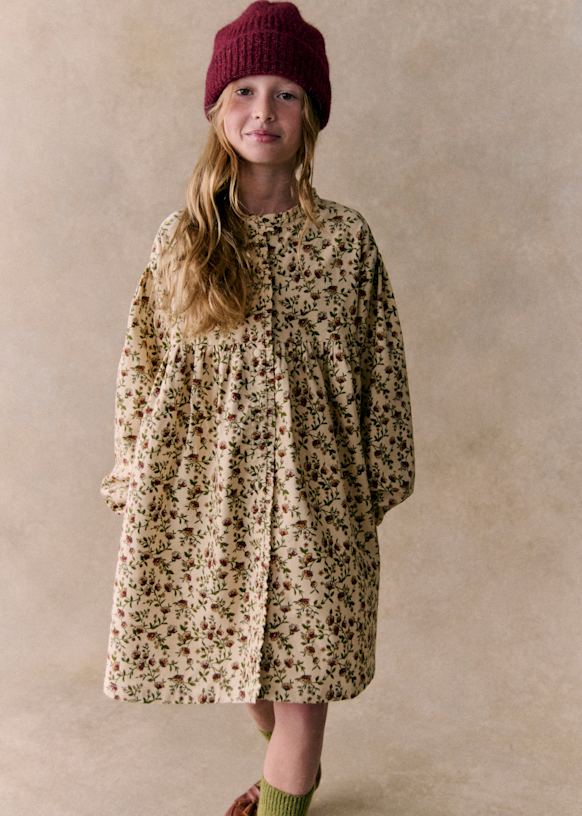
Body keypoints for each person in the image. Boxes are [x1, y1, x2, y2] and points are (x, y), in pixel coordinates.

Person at [99, 2, 415, 814]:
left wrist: (374, 487)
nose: (263, 110)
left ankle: (287, 787)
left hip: (318, 498)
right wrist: (134, 476)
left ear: (310, 114)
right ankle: (288, 768)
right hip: (210, 498)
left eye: (285, 93)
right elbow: (142, 366)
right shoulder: (183, 241)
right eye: (244, 90)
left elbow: (382, 368)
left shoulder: (345, 241)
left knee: (306, 684)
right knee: (247, 673)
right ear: (217, 108)